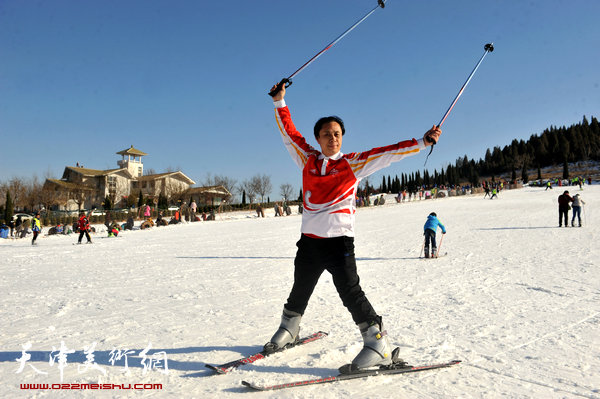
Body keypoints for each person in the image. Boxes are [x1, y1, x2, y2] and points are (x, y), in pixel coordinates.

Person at [264, 82, 442, 371]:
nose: (332, 138)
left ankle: (377, 343)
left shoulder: (352, 165)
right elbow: (289, 134)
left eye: (337, 134)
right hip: (309, 242)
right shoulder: (307, 160)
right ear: (318, 139)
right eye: (326, 134)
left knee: (350, 292)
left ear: (342, 137)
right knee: (300, 286)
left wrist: (422, 142)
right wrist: (279, 101)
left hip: (339, 243)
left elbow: (388, 153)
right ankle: (289, 328)